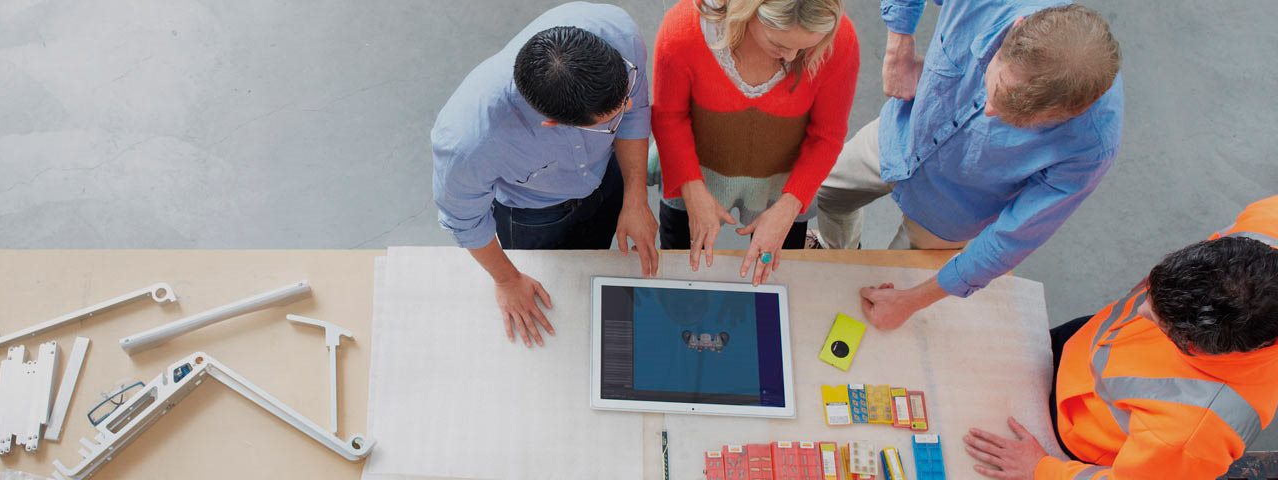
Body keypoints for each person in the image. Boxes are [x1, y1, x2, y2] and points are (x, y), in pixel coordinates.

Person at [814, 1, 1124, 329]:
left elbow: (1010, 239)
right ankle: (837, 251)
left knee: (892, 279)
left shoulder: (1091, 145)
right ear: (1015, 30)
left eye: (1015, 121)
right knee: (828, 193)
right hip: (903, 133)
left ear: (1069, 114)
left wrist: (910, 300)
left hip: (951, 211)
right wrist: (899, 45)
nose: (989, 112)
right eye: (995, 89)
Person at [962, 196, 1278, 480]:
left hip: (1079, 436)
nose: (1141, 307)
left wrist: (1042, 469)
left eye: (1160, 322)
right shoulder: (1266, 227)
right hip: (1085, 344)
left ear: (1202, 347)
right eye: (1154, 290)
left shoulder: (1192, 434)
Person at [432, 2, 659, 347]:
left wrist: (635, 197)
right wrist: (507, 280)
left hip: (606, 176)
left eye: (623, 96)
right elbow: (464, 220)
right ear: (553, 122)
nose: (626, 108)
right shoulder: (470, 141)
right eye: (609, 120)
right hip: (534, 216)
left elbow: (635, 112)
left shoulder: (618, 34)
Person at [650, 0, 859, 284]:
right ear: (746, 10)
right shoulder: (683, 29)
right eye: (779, 43)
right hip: (693, 171)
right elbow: (669, 118)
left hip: (784, 184)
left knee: (775, 273)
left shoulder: (839, 38)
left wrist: (788, 208)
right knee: (678, 263)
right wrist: (691, 188)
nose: (791, 56)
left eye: (806, 47)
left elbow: (828, 136)